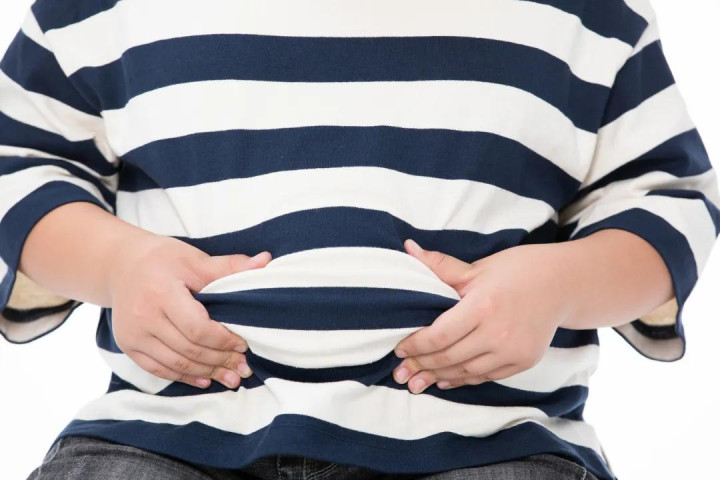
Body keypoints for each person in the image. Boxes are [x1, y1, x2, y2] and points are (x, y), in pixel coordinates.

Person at [1, 0, 718, 479]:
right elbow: (21, 161)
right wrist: (116, 264)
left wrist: (558, 285)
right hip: (167, 430)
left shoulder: (586, 17)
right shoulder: (104, 10)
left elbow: (666, 201)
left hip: (491, 441)